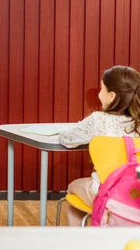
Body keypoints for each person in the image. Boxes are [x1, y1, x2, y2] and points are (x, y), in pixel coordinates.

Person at [59, 65, 140, 226]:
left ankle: (77, 241)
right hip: (136, 192)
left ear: (112, 96)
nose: (98, 94)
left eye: (101, 88)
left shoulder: (98, 120)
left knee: (73, 187)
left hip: (106, 191)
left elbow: (66, 139)